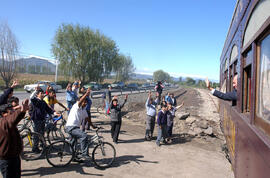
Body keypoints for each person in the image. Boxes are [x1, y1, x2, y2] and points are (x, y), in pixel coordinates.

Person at [0, 99, 29, 178]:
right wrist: (21, 111)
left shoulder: (9, 124)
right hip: (6, 160)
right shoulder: (3, 123)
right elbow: (13, 119)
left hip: (14, 156)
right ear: (3, 114)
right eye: (10, 111)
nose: (12, 112)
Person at [65, 88, 96, 159]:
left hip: (75, 128)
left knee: (73, 142)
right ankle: (84, 153)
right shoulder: (76, 106)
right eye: (84, 102)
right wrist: (86, 94)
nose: (85, 104)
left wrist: (93, 126)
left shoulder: (83, 110)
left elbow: (88, 119)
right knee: (84, 135)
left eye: (86, 103)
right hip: (71, 127)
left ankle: (73, 157)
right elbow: (80, 101)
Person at [29, 88, 58, 153]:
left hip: (42, 119)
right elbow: (31, 97)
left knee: (42, 133)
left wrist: (54, 113)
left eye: (43, 93)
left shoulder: (43, 102)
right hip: (36, 120)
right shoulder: (35, 101)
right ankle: (35, 148)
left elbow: (48, 110)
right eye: (41, 93)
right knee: (37, 134)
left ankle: (43, 145)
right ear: (37, 95)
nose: (42, 94)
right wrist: (35, 90)